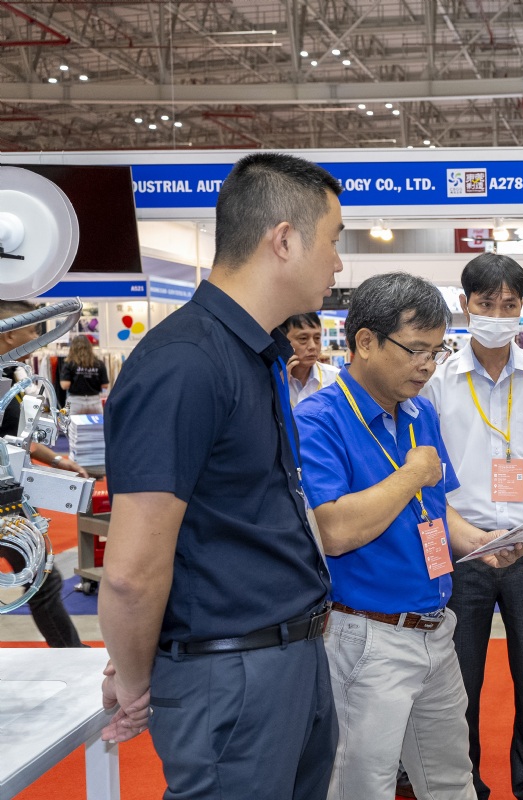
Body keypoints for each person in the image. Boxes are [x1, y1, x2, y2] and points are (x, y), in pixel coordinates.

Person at [98, 152, 344, 800]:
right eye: (333, 241)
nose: (338, 264)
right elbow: (129, 572)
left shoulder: (251, 355)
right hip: (231, 676)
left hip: (284, 660)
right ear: (284, 240)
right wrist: (135, 677)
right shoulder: (185, 363)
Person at [294, 271, 523, 800]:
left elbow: (436, 510)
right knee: (361, 787)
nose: (427, 365)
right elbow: (333, 530)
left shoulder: (420, 412)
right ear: (366, 342)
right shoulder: (319, 420)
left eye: (436, 351)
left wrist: (479, 542)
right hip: (367, 636)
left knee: (452, 780)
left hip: (435, 627)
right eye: (416, 349)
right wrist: (412, 473)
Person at [422, 253, 523, 800]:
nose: (499, 315)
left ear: (522, 307)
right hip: (465, 550)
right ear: (465, 305)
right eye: (487, 304)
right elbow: (428, 471)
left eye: (510, 305)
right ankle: (467, 783)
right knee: (460, 678)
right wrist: (466, 537)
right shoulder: (438, 381)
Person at [0, 299, 88, 648]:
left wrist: (58, 460)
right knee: (42, 578)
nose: (40, 340)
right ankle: (71, 651)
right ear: (9, 335)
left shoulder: (10, 378)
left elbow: (18, 437)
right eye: (34, 331)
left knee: (42, 577)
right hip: (5, 502)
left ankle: (71, 650)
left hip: (8, 497)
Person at [282, 311, 339, 407]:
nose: (312, 346)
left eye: (317, 338)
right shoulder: (272, 381)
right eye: (303, 338)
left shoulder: (335, 378)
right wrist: (279, 388)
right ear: (283, 341)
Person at [57, 334, 109, 415]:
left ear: (72, 348)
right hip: (94, 401)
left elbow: (64, 385)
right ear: (90, 347)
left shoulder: (69, 363)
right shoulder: (99, 363)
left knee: (71, 423)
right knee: (97, 423)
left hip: (75, 402)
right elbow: (105, 385)